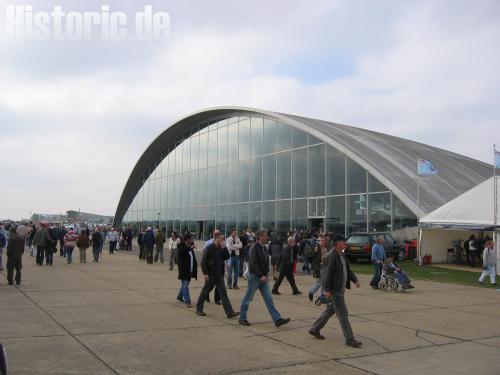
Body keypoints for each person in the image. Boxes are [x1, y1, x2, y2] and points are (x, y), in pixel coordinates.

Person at [309, 234, 362, 348]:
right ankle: (349, 339)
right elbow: (327, 274)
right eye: (343, 241)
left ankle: (315, 328)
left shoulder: (341, 254)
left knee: (330, 311)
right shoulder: (332, 255)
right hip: (334, 290)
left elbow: (347, 270)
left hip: (338, 289)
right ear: (338, 243)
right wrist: (327, 290)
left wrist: (354, 280)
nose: (345, 243)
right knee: (343, 313)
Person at [239, 229, 290, 327]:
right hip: (255, 277)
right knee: (248, 298)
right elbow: (253, 264)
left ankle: (277, 319)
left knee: (269, 298)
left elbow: (265, 262)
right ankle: (242, 318)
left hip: (263, 277)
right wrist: (261, 275)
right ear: (260, 237)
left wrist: (265, 275)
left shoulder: (264, 248)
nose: (267, 237)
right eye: (265, 235)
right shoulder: (254, 248)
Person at [196, 232, 240, 319]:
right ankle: (199, 309)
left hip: (219, 275)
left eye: (223, 239)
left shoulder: (221, 248)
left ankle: (229, 312)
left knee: (223, 293)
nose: (223, 240)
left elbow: (227, 257)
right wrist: (205, 273)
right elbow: (203, 262)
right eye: (221, 238)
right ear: (216, 238)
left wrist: (224, 248)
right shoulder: (209, 248)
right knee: (205, 292)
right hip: (210, 274)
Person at [177, 233, 197, 307]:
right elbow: (184, 250)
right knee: (185, 285)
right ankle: (188, 301)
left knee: (185, 284)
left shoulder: (190, 247)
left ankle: (179, 296)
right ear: (187, 239)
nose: (192, 240)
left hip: (190, 269)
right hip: (183, 269)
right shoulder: (181, 245)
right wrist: (191, 247)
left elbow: (192, 257)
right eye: (191, 239)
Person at [308, 234, 329, 302]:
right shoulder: (316, 247)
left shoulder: (327, 247)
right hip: (320, 267)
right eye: (321, 241)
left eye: (323, 240)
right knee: (320, 281)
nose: (322, 242)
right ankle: (311, 292)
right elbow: (309, 255)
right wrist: (315, 251)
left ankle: (323, 298)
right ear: (319, 241)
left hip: (327, 267)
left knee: (325, 282)